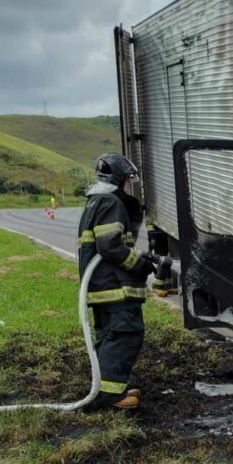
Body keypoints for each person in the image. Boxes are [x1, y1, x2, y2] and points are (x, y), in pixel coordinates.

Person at [78, 154, 155, 410]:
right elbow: (110, 245)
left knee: (110, 335)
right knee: (125, 335)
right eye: (128, 179)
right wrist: (140, 265)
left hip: (102, 285)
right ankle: (111, 396)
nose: (129, 184)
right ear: (119, 177)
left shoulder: (96, 200)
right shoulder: (110, 202)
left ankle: (107, 388)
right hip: (115, 285)